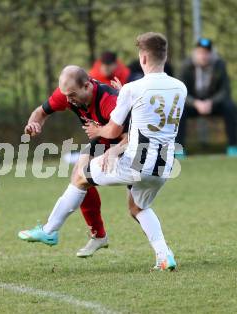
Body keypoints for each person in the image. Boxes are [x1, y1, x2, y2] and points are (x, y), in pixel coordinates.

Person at [20, 32, 186, 271]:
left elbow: (113, 130)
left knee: (79, 176)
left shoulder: (131, 89)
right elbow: (148, 117)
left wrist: (106, 138)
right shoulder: (180, 88)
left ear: (143, 59)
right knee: (137, 207)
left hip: (136, 160)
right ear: (165, 56)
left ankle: (49, 231)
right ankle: (164, 255)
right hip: (165, 165)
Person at [20, 66, 127, 258]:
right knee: (79, 177)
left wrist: (114, 151)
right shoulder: (67, 94)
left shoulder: (108, 100)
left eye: (72, 95)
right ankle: (87, 234)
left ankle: (60, 231)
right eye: (65, 95)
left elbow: (130, 134)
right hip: (102, 141)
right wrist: (33, 123)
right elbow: (40, 112)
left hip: (128, 147)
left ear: (87, 86)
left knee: (137, 208)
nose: (68, 100)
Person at [176, 38, 237, 157]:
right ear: (195, 53)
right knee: (178, 109)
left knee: (230, 106)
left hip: (213, 104)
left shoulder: (219, 65)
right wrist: (195, 103)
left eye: (206, 53)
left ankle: (233, 146)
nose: (203, 56)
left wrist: (211, 102)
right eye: (200, 52)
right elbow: (180, 91)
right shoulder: (186, 66)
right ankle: (178, 149)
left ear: (211, 53)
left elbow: (225, 90)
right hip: (192, 105)